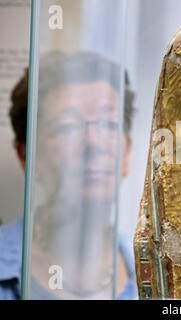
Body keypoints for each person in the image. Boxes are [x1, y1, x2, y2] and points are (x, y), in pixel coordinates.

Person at [0, 51, 138, 300]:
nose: (93, 142)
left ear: (127, 150)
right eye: (67, 126)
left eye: (109, 124)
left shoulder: (163, 274)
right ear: (26, 155)